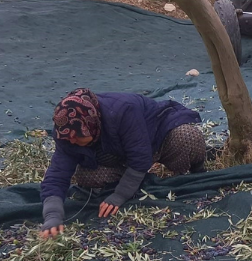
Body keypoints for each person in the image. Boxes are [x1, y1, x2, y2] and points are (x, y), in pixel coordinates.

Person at [38, 89, 206, 239]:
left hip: (156, 138)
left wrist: (119, 195)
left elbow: (140, 157)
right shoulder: (67, 134)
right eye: (68, 137)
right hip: (116, 157)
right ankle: (133, 178)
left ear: (91, 124)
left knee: (188, 137)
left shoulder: (122, 110)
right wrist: (53, 216)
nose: (72, 141)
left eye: (77, 136)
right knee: (87, 177)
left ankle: (196, 170)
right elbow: (57, 175)